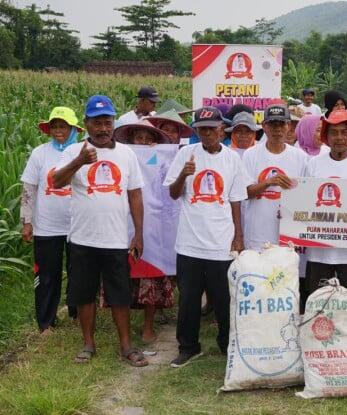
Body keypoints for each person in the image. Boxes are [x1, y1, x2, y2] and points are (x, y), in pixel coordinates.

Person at [53, 95, 147, 367]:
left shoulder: (126, 154)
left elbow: (136, 196)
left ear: (114, 123)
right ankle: (88, 344)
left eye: (107, 122)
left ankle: (127, 346)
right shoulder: (73, 152)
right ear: (86, 124)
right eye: (97, 123)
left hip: (116, 238)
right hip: (83, 238)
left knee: (119, 294)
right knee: (84, 293)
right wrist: (79, 161)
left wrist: (138, 233)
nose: (103, 128)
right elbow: (57, 182)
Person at [164, 106, 247, 367]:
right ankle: (188, 347)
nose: (207, 134)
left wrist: (238, 236)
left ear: (222, 130)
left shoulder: (232, 159)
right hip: (189, 242)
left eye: (211, 129)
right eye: (201, 130)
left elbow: (236, 200)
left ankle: (226, 344)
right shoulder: (186, 154)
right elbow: (173, 194)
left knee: (223, 298)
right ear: (196, 131)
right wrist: (183, 175)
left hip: (221, 241)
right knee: (188, 298)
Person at [301, 110, 347, 309]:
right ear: (326, 136)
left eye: (344, 132)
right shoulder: (313, 164)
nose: (339, 138)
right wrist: (291, 214)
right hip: (318, 251)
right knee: (317, 302)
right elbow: (304, 202)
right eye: (334, 132)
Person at [20, 106, 82, 334]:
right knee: (47, 275)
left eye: (63, 126)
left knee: (78, 271)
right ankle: (46, 322)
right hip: (46, 226)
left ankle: (77, 313)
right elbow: (29, 187)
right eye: (54, 126)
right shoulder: (40, 153)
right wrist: (27, 221)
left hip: (77, 225)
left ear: (74, 128)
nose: (58, 131)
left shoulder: (83, 151)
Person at [113, 119, 174, 343]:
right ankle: (125, 326)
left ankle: (148, 326)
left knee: (151, 274)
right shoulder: (121, 158)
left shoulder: (161, 159)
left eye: (150, 139)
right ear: (130, 140)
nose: (145, 142)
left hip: (153, 224)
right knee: (124, 276)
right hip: (123, 222)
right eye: (140, 138)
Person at [242, 105, 308, 250]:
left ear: (289, 126)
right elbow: (244, 193)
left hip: (286, 236)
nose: (277, 129)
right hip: (256, 235)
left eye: (281, 124)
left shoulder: (301, 157)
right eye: (272, 124)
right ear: (264, 126)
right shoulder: (250, 154)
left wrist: (290, 209)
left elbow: (306, 198)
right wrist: (268, 182)